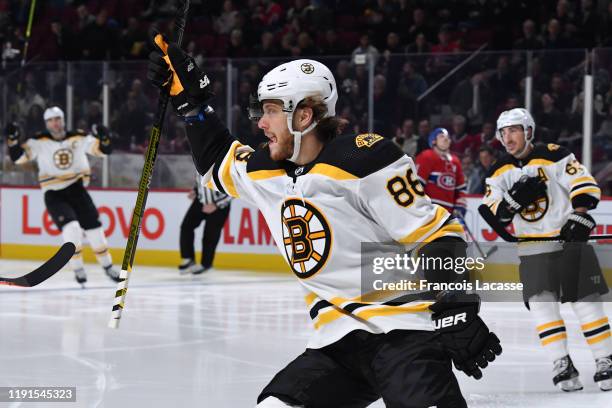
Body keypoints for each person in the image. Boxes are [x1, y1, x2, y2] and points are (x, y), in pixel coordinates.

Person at [147, 35, 502, 407]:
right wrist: (191, 104)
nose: (261, 123)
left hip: (405, 334)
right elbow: (218, 158)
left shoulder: (364, 159)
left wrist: (455, 306)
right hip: (335, 346)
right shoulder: (266, 171)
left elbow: (438, 234)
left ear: (303, 116)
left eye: (270, 111)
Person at [482, 108, 611, 392]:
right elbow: (493, 211)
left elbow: (583, 184)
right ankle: (561, 361)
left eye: (514, 130)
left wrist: (579, 215)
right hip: (532, 250)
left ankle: (605, 360)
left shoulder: (554, 154)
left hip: (568, 244)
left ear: (528, 131)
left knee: (586, 304)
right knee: (543, 308)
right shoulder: (498, 170)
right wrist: (511, 204)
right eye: (503, 133)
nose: (508, 137)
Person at [6, 106, 121, 286]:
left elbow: (103, 151)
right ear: (46, 123)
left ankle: (108, 267)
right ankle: (77, 268)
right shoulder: (38, 141)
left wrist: (105, 137)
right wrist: (12, 141)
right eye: (51, 120)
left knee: (95, 230)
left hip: (77, 189)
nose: (55, 123)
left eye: (58, 119)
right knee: (72, 229)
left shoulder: (78, 137)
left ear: (63, 120)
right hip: (54, 193)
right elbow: (18, 159)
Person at [179, 176, 231, 275]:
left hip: (220, 206)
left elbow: (232, 188)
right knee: (186, 226)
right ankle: (188, 259)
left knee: (210, 236)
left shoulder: (222, 162)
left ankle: (206, 264)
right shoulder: (199, 160)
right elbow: (201, 179)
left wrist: (216, 204)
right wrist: (196, 190)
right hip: (201, 201)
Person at [415, 128, 468, 218]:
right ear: (433, 141)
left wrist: (460, 207)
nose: (446, 139)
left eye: (448, 137)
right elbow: (417, 184)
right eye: (441, 136)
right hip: (430, 209)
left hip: (448, 212)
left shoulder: (455, 161)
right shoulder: (426, 156)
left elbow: (461, 189)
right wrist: (421, 206)